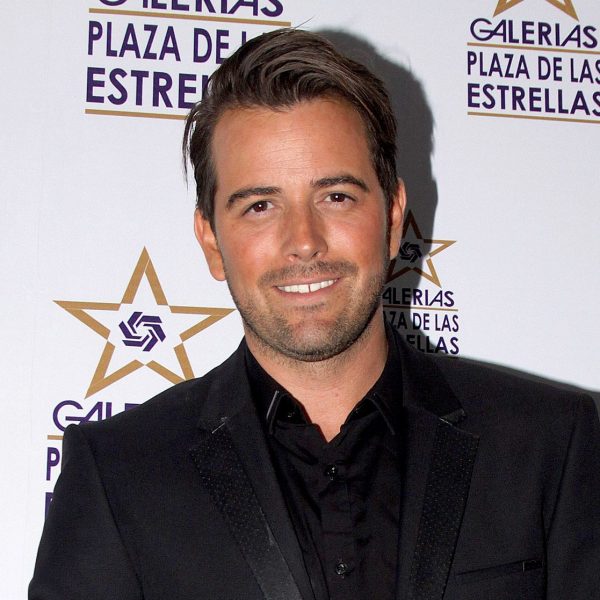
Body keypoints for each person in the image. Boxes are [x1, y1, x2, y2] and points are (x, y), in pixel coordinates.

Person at [30, 28, 600, 600]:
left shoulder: (549, 444)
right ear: (211, 241)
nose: (303, 241)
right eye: (260, 206)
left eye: (336, 197)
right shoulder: (118, 475)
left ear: (393, 217)